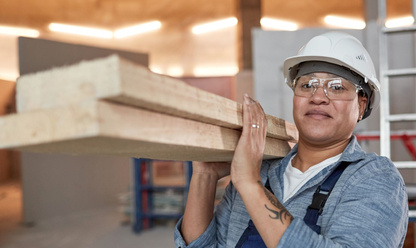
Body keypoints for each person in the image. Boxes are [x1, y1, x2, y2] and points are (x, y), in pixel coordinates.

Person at [174, 31, 408, 248]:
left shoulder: (376, 178)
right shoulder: (262, 170)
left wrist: (250, 185)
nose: (318, 97)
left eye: (336, 87)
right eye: (307, 85)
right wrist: (205, 175)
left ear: (361, 105)